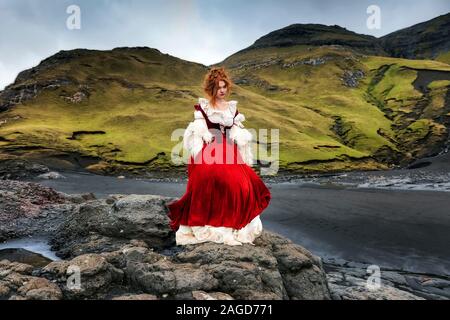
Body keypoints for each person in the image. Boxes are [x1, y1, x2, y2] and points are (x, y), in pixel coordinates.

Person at [167, 67, 271, 246]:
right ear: (211, 89)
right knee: (211, 180)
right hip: (210, 149)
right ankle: (213, 221)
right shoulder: (204, 108)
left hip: (229, 150)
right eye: (218, 87)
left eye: (224, 86)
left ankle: (232, 223)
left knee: (243, 185)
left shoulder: (232, 108)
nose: (222, 90)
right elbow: (199, 130)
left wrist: (241, 137)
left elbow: (236, 130)